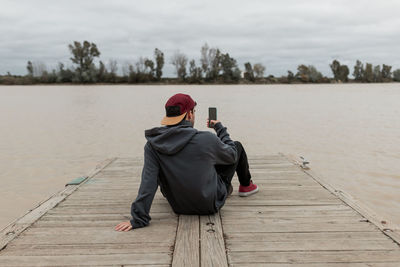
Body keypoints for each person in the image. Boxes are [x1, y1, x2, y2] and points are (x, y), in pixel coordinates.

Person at [115, 93, 258, 232]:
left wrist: (138, 218)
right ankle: (246, 186)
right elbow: (232, 155)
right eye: (194, 112)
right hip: (211, 204)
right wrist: (220, 128)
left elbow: (148, 182)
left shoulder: (153, 145)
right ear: (189, 114)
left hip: (178, 206)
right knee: (235, 146)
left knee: (189, 162)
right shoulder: (207, 139)